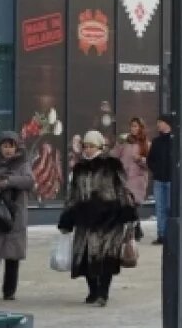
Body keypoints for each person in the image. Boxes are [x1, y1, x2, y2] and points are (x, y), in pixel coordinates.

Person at [58, 131, 140, 307]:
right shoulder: (79, 168)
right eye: (85, 146)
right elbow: (73, 194)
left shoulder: (112, 165)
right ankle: (93, 291)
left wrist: (128, 214)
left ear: (100, 146)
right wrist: (67, 218)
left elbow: (122, 189)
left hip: (109, 218)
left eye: (91, 146)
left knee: (106, 257)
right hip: (85, 219)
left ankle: (103, 293)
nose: (87, 149)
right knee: (86, 257)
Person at [0, 132, 33, 301]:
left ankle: (9, 292)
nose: (8, 150)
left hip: (15, 215)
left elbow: (28, 181)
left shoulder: (23, 163)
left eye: (11, 146)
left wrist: (7, 181)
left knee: (12, 258)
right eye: (5, 146)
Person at [146, 115, 173, 246]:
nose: (158, 125)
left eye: (160, 122)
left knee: (169, 207)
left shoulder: (175, 141)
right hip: (159, 180)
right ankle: (162, 235)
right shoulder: (156, 141)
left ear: (167, 124)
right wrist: (155, 169)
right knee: (160, 208)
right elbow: (150, 159)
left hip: (171, 180)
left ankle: (170, 234)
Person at [111, 117, 151, 206]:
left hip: (138, 181)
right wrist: (118, 144)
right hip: (123, 179)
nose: (133, 129)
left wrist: (140, 159)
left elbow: (150, 163)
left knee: (132, 207)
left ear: (141, 127)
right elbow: (113, 156)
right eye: (131, 126)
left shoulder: (146, 144)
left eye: (135, 126)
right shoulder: (125, 142)